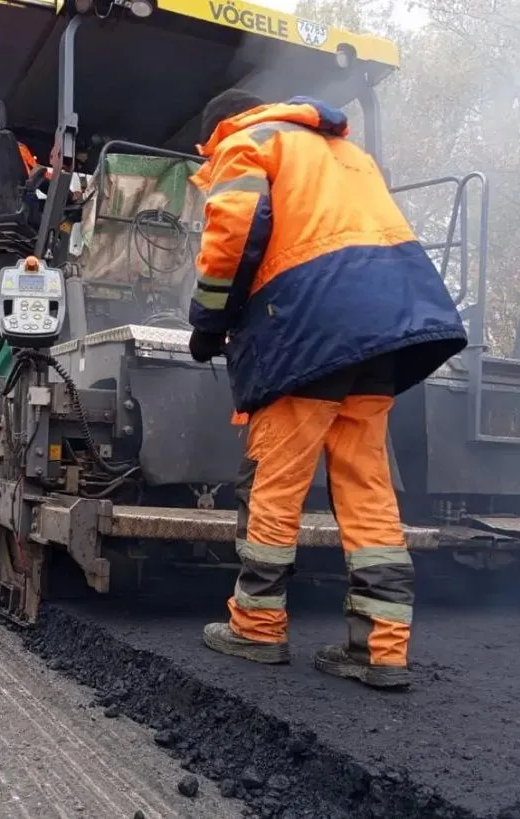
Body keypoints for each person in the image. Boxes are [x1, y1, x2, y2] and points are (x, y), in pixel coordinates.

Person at [186, 89, 468, 690]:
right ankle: (380, 649)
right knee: (367, 489)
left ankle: (257, 629)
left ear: (216, 130)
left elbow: (233, 233)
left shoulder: (246, 142)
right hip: (389, 331)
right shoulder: (348, 154)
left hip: (309, 333)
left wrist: (208, 322)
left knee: (274, 483)